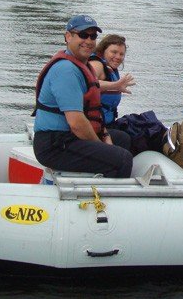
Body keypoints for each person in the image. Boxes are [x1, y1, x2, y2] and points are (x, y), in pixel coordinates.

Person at [32, 15, 133, 178]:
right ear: (68, 37)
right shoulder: (66, 70)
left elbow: (92, 113)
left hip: (67, 138)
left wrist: (105, 135)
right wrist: (102, 147)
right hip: (54, 145)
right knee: (122, 159)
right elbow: (77, 123)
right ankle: (106, 199)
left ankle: (101, 178)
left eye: (93, 36)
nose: (88, 40)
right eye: (83, 35)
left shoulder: (82, 66)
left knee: (122, 139)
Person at [88, 34, 136, 126]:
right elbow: (87, 83)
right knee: (126, 137)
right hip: (94, 127)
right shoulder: (97, 65)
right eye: (114, 52)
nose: (118, 57)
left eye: (121, 54)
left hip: (107, 124)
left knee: (146, 124)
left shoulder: (110, 68)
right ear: (102, 51)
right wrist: (116, 85)